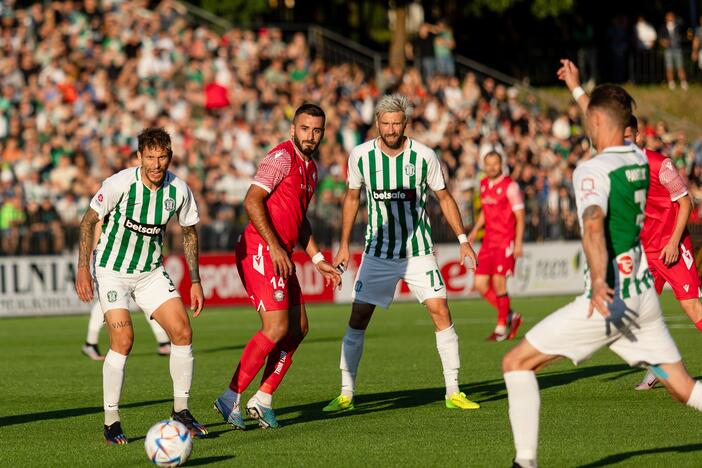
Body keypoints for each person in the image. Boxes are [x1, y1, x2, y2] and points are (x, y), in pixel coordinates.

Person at [503, 83, 702, 468]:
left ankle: (523, 463)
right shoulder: (641, 160)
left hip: (611, 297)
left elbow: (593, 223)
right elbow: (606, 117)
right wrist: (577, 88)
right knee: (683, 388)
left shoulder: (592, 170)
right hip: (643, 295)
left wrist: (597, 282)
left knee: (515, 364)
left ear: (595, 122)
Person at [322, 94, 480, 414]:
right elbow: (352, 200)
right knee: (358, 318)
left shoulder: (424, 156)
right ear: (377, 123)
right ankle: (346, 393)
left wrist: (463, 239)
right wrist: (342, 245)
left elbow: (445, 198)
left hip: (418, 251)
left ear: (405, 124)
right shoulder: (361, 156)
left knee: (441, 311)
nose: (391, 128)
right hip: (378, 252)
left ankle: (453, 390)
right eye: (386, 123)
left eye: (397, 123)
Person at [558, 58, 702, 390]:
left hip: (672, 247)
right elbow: (594, 117)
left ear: (637, 134)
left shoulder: (658, 163)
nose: (623, 139)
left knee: (694, 308)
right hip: (643, 254)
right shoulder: (613, 161)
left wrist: (672, 242)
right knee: (637, 315)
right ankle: (659, 368)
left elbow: (685, 202)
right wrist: (575, 87)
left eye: (628, 134)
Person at [75, 127, 207, 444]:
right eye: (150, 157)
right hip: (111, 271)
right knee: (123, 339)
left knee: (183, 331)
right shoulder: (120, 184)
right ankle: (111, 421)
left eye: (162, 157)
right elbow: (88, 220)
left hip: (149, 271)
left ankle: (181, 412)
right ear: (139, 157)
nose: (156, 164)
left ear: (170, 157)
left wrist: (196, 280)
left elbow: (189, 232)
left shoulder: (179, 189)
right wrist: (83, 268)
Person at [213, 104, 341, 430]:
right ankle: (230, 397)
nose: (310, 136)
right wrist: (272, 245)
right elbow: (252, 200)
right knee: (275, 328)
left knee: (298, 328)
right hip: (260, 248)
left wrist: (317, 259)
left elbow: (300, 221)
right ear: (293, 128)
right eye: (304, 128)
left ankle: (264, 397)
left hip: (281, 251)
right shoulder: (281, 158)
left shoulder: (311, 169)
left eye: (316, 130)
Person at [82, 219, 171, 361]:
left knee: (139, 302)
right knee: (110, 302)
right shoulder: (112, 198)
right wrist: (96, 252)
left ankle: (163, 341)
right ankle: (90, 343)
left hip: (132, 258)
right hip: (111, 259)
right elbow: (99, 221)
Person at [468, 150, 525, 341]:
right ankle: (511, 315)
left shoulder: (511, 186)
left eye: (495, 163)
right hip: (488, 242)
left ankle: (501, 328)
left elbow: (520, 216)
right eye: (488, 164)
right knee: (480, 284)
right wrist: (475, 230)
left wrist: (518, 243)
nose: (492, 167)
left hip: (505, 241)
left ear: (501, 164)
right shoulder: (483, 184)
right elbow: (486, 210)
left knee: (500, 284)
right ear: (484, 165)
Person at [659, 11, 688, 90]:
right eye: (668, 16)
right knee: (669, 67)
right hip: (668, 50)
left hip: (678, 49)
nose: (670, 18)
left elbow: (685, 35)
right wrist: (663, 43)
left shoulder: (679, 26)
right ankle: (671, 83)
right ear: (666, 18)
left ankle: (683, 82)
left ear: (674, 18)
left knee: (680, 66)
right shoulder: (663, 27)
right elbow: (660, 39)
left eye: (671, 16)